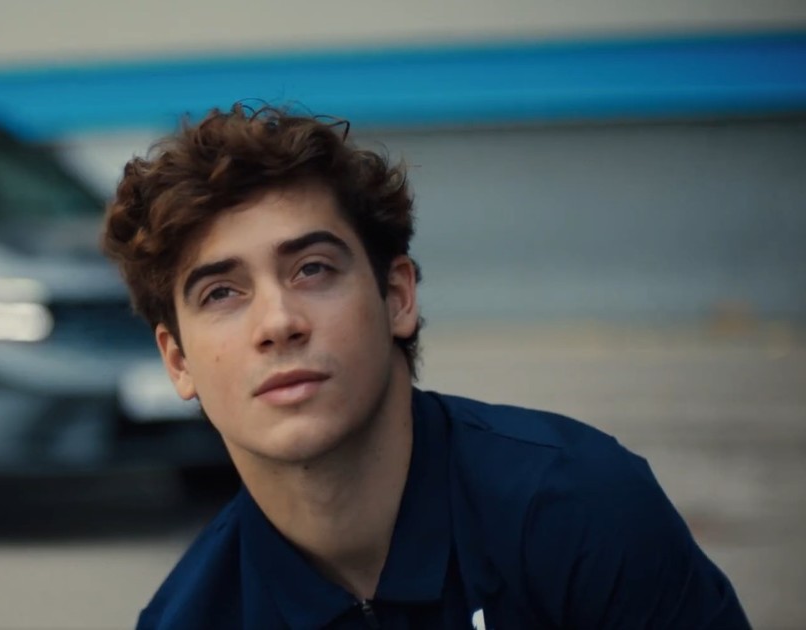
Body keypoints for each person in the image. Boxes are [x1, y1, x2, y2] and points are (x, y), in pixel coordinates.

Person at [101, 104, 749, 629]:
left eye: (312, 269)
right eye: (221, 293)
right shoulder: (190, 619)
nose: (278, 322)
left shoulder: (580, 510)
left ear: (397, 297)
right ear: (178, 362)